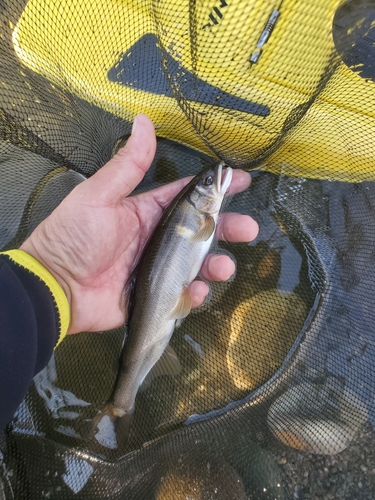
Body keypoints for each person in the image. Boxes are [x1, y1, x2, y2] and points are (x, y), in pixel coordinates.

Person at [0, 114, 259, 430]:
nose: (213, 182)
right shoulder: (204, 219)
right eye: (207, 183)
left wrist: (50, 276)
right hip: (144, 303)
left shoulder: (203, 217)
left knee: (162, 328)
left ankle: (120, 405)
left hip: (136, 300)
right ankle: (121, 405)